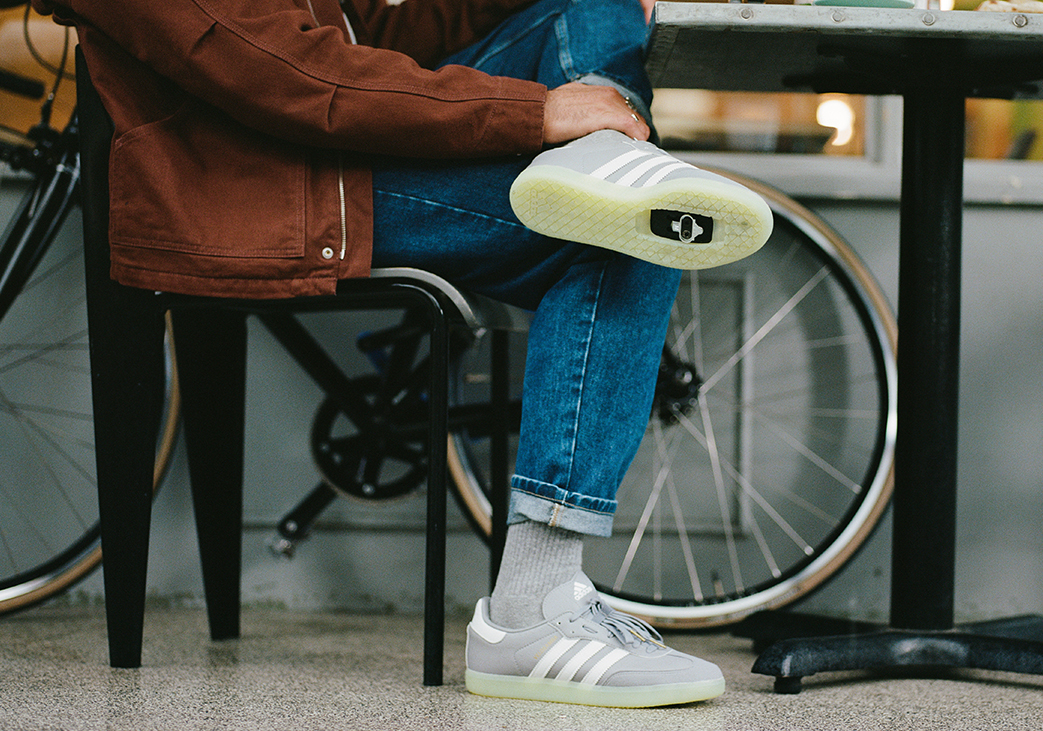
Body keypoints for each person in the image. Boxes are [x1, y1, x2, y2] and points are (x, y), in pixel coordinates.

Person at [34, 0, 772, 708]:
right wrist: (533, 114)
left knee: (590, 7)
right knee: (645, 228)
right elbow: (290, 74)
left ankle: (607, 158)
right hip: (292, 179)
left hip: (336, 145)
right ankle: (531, 607)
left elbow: (371, 34)